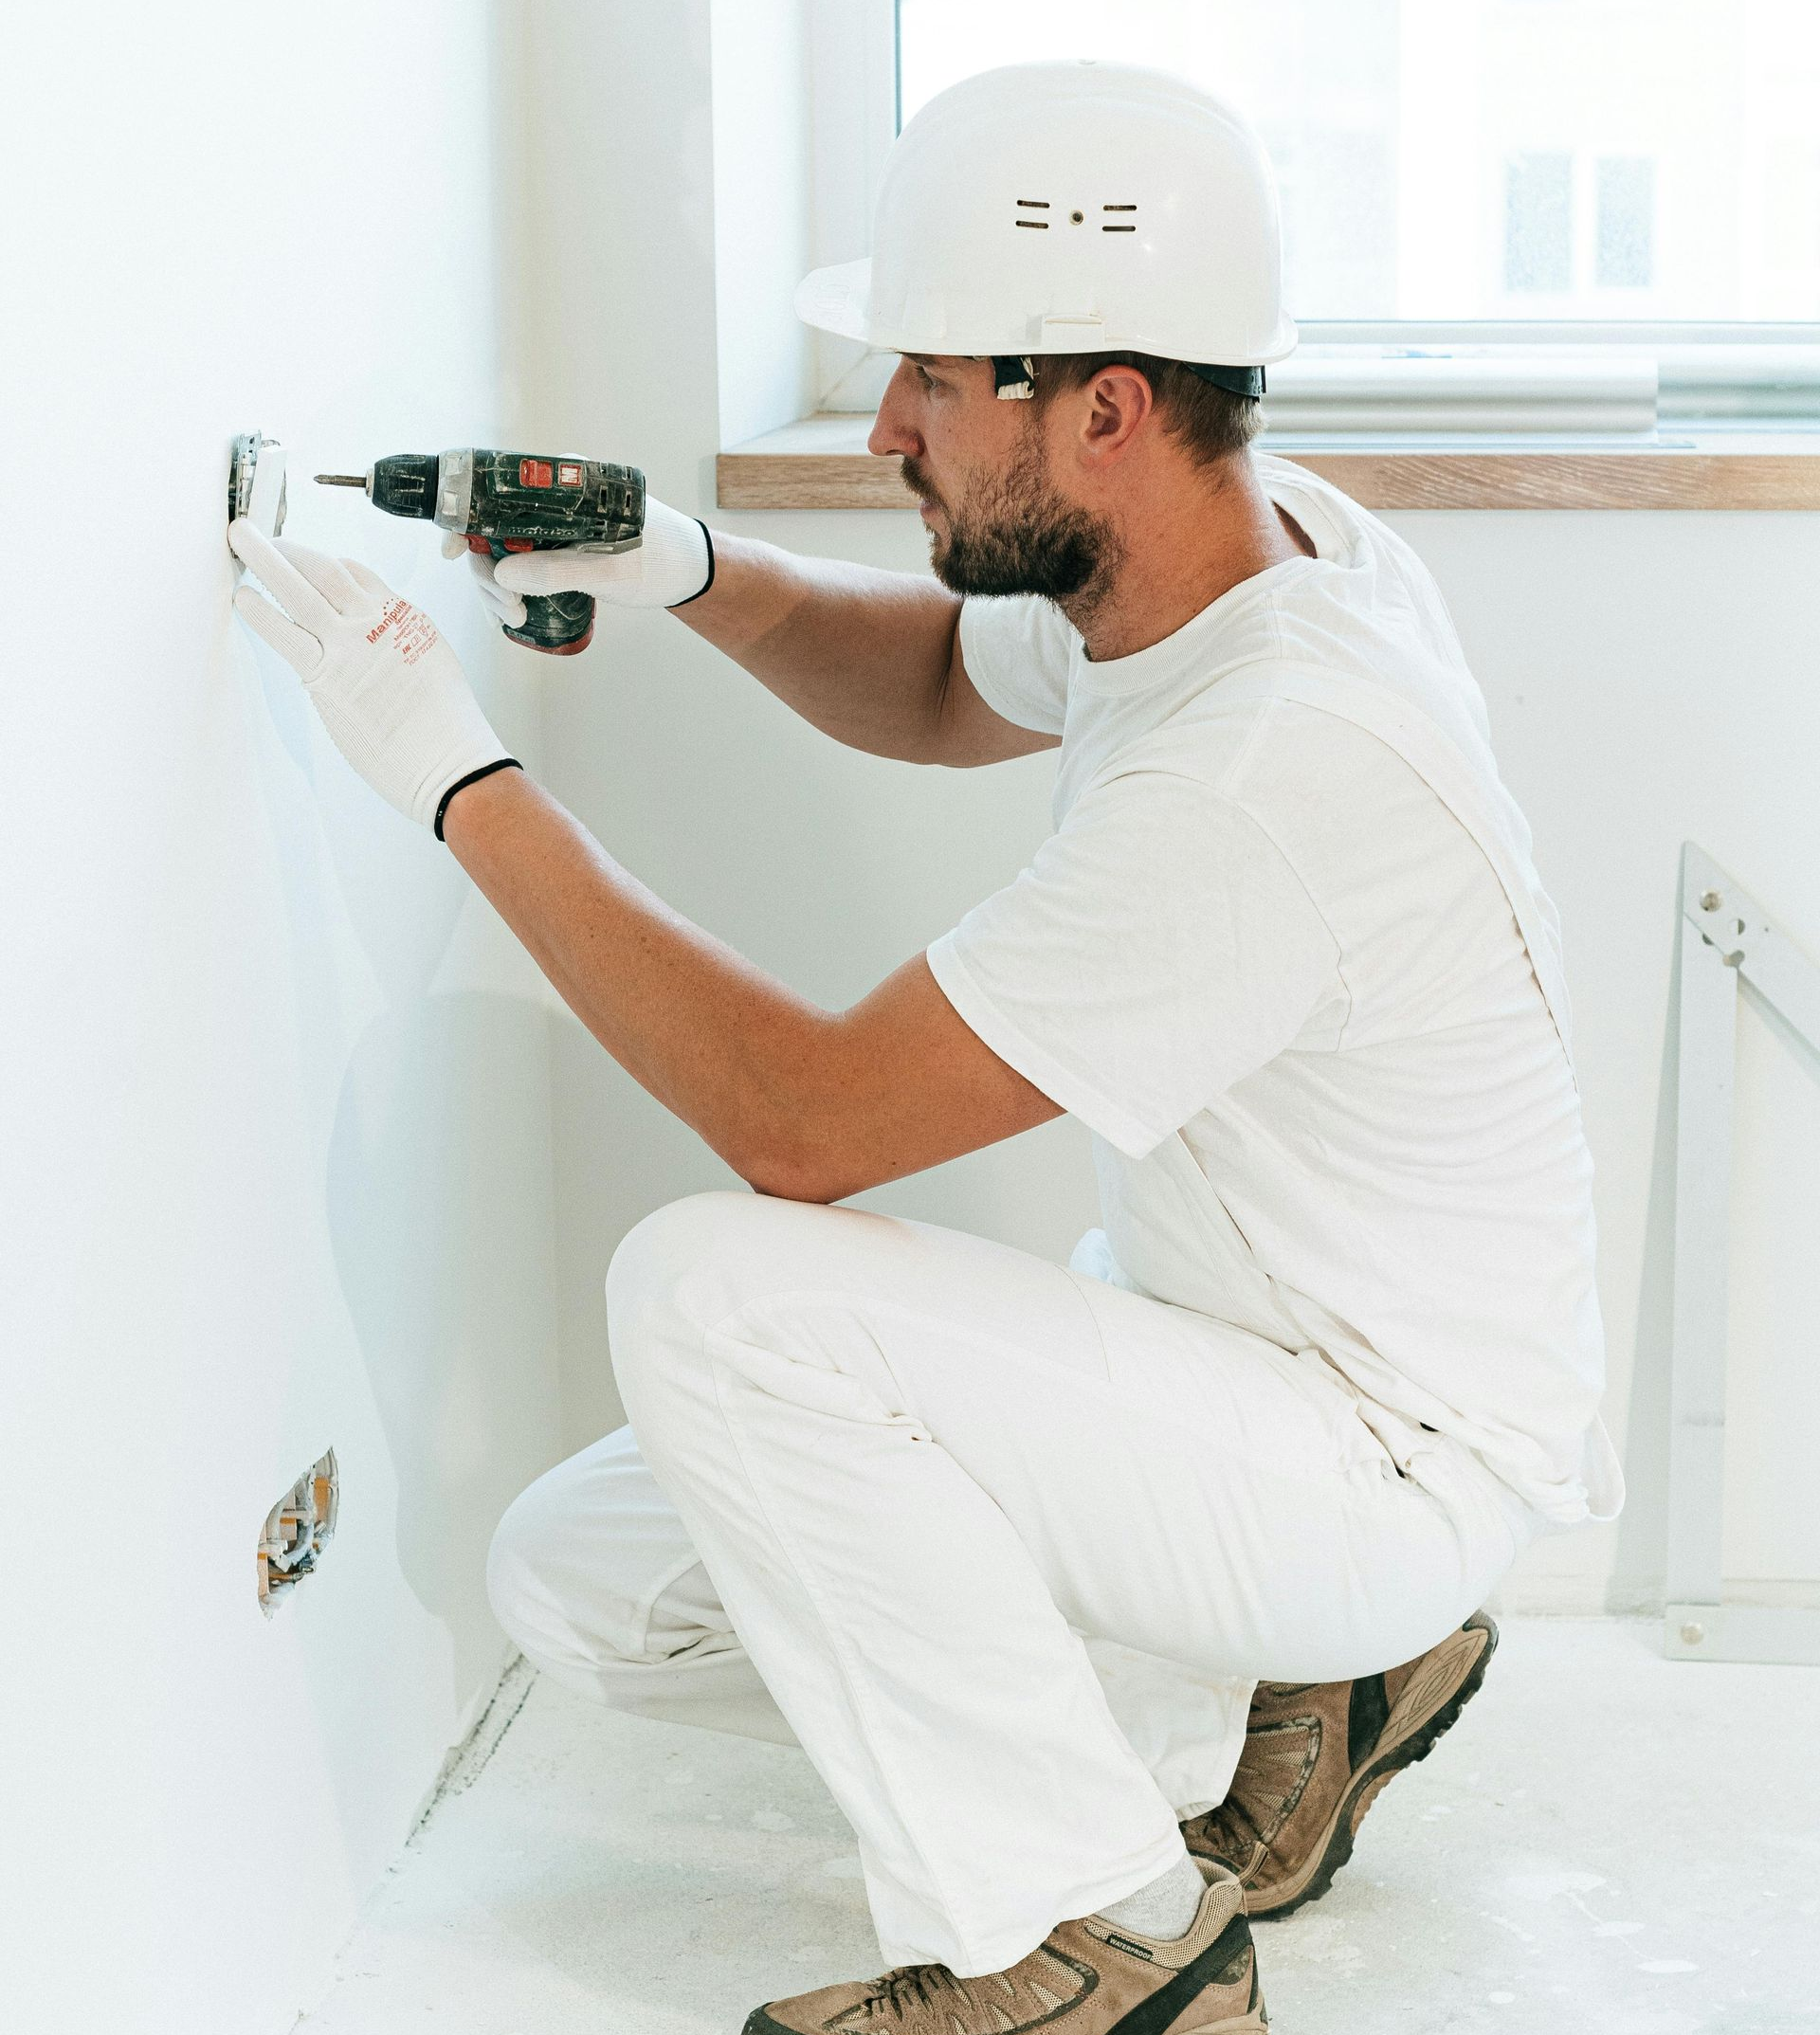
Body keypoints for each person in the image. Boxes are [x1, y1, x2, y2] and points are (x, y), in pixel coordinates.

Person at [229, 59, 1622, 2035]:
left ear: (1104, 412)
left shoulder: (1274, 766)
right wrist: (679, 564)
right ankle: (1276, 1682)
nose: (887, 425)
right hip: (1231, 1352)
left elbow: (796, 1120)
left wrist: (449, 774)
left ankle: (1097, 1933)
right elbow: (941, 680)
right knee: (583, 1581)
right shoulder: (1230, 549)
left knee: (720, 1288)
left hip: (1373, 1445)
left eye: (931, 383)